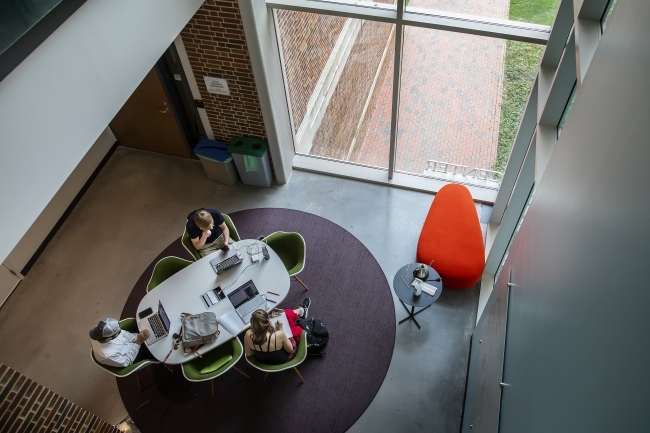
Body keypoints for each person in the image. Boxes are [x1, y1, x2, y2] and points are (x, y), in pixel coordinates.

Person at [244, 298, 311, 364]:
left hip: (263, 362)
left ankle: (301, 311)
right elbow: (290, 350)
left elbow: (249, 354)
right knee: (287, 317)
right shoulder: (279, 334)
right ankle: (301, 311)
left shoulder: (248, 334)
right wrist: (280, 330)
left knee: (287, 316)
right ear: (268, 322)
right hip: (283, 359)